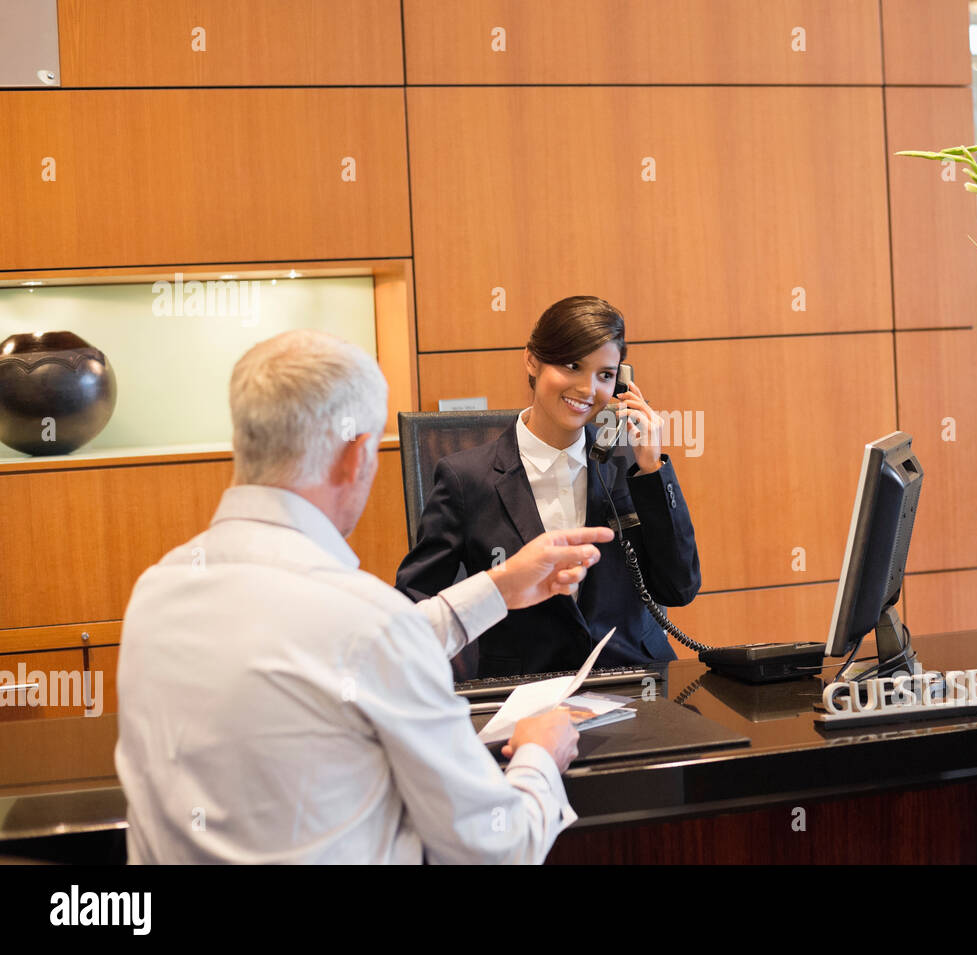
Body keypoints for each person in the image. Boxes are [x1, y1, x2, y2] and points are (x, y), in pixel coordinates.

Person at [114, 329, 614, 864]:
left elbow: (334, 649)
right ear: (355, 457)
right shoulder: (365, 624)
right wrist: (540, 752)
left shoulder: (156, 590)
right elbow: (499, 847)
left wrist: (498, 587)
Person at [396, 295, 701, 678]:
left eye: (605, 375)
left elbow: (680, 588)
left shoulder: (630, 464)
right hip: (523, 695)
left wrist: (653, 469)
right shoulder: (465, 479)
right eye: (572, 365)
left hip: (636, 684)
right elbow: (413, 605)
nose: (587, 389)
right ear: (532, 360)